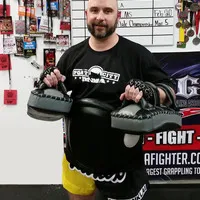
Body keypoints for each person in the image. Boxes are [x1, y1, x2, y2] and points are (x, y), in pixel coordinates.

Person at [42, 0, 175, 199]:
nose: (100, 17)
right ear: (87, 14)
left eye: (107, 11)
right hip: (77, 153)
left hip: (121, 160)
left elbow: (170, 91)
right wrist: (50, 81)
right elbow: (59, 90)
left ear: (117, 16)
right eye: (94, 10)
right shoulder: (71, 56)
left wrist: (148, 90)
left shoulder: (136, 55)